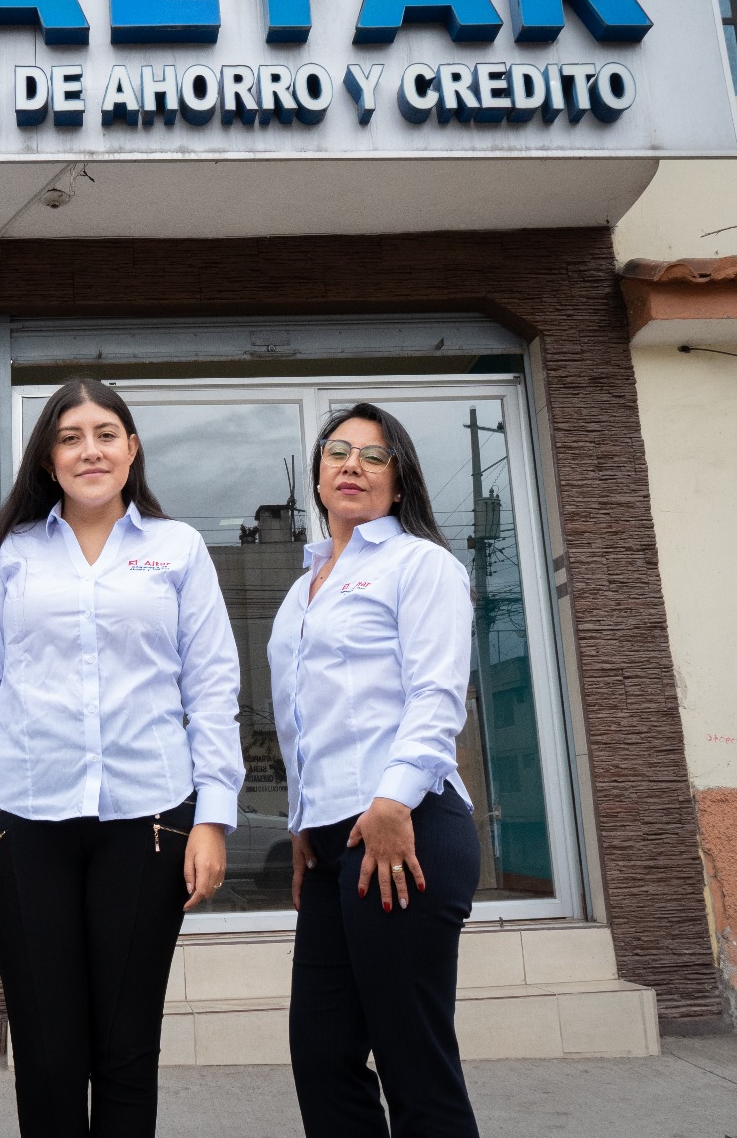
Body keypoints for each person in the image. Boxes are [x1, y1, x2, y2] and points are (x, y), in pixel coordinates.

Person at [0, 378, 244, 1138]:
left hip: (149, 818)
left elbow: (212, 687)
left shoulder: (177, 550)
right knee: (46, 1051)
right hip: (25, 820)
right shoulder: (12, 554)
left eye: (106, 433)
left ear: (132, 448)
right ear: (49, 458)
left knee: (126, 1046)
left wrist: (212, 818)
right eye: (71, 436)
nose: (90, 449)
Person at [268, 402, 481, 1138]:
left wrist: (391, 804)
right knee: (321, 1059)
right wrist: (303, 822)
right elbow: (304, 721)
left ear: (398, 481)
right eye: (336, 453)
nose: (351, 466)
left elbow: (436, 696)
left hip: (405, 829)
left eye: (373, 455)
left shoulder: (421, 564)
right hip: (333, 844)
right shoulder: (301, 591)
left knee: (413, 1063)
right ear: (319, 477)